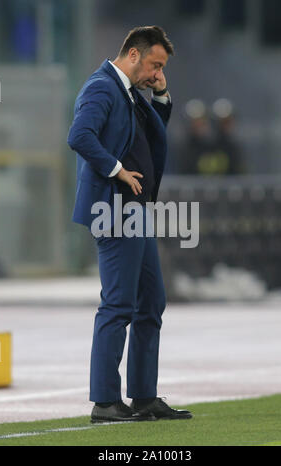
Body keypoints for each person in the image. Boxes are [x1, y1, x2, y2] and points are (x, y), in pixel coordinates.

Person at [67, 26, 192, 423]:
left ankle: (143, 397)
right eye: (154, 65)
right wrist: (118, 170)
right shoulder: (103, 87)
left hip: (135, 212)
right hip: (114, 209)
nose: (156, 72)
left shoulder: (128, 91)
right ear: (134, 55)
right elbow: (79, 136)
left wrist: (159, 94)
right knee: (118, 303)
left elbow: (153, 130)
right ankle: (105, 401)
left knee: (151, 302)